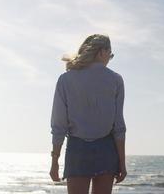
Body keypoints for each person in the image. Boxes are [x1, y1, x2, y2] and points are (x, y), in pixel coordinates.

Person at [49, 34, 127, 194]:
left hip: (77, 150)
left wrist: (55, 161)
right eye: (110, 54)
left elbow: (59, 125)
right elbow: (118, 127)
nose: (109, 59)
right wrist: (122, 162)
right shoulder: (116, 80)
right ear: (101, 52)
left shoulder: (65, 80)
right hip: (106, 148)